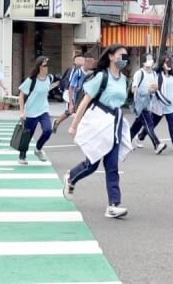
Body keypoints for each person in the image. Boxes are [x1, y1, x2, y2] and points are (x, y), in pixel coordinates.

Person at [64, 44, 133, 219]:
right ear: (110, 56)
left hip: (114, 126)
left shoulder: (124, 79)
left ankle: (113, 205)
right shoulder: (101, 77)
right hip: (100, 124)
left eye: (126, 56)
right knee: (92, 163)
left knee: (112, 167)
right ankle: (71, 177)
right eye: (120, 55)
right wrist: (74, 125)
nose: (123, 59)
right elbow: (85, 102)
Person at [17, 56, 56, 164]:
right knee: (27, 135)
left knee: (48, 130)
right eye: (44, 65)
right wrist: (21, 111)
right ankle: (22, 155)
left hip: (43, 110)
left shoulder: (49, 78)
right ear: (39, 67)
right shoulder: (31, 80)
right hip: (31, 111)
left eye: (47, 65)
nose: (46, 68)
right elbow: (21, 95)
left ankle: (38, 149)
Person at [129, 54, 167, 154]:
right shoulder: (139, 73)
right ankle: (157, 144)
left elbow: (155, 88)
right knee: (148, 123)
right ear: (143, 62)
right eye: (147, 60)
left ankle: (125, 141)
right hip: (139, 104)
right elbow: (134, 89)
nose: (150, 62)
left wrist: (154, 89)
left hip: (148, 103)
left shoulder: (154, 74)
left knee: (137, 124)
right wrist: (146, 90)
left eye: (151, 59)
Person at [151, 55, 173, 153]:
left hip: (170, 105)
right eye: (167, 62)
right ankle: (140, 136)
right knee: (151, 125)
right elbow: (155, 90)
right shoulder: (157, 75)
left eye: (170, 62)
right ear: (162, 64)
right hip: (160, 104)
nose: (169, 64)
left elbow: (172, 89)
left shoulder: (172, 75)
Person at [53, 54, 85, 135]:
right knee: (73, 110)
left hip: (78, 93)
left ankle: (58, 122)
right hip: (71, 93)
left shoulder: (82, 70)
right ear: (74, 62)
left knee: (74, 111)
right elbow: (70, 84)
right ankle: (59, 122)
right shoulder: (73, 71)